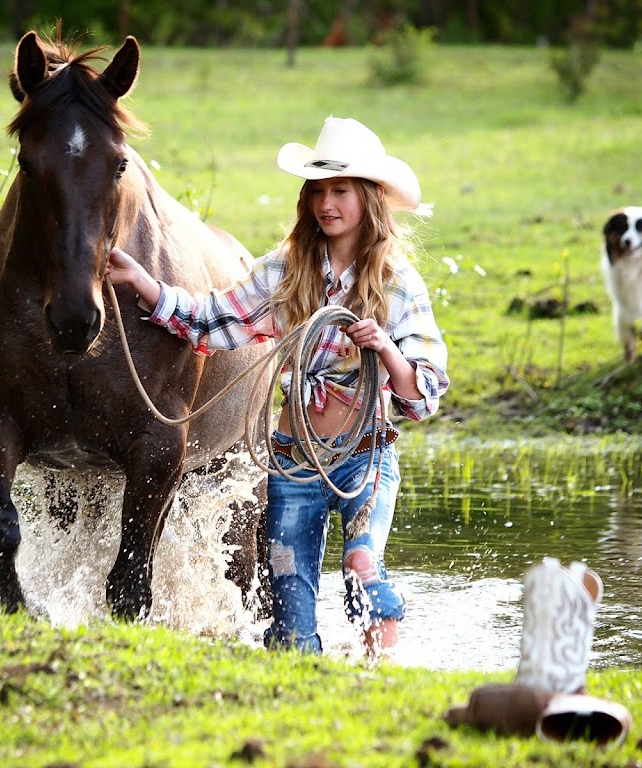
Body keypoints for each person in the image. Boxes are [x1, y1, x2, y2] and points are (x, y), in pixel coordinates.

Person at [107, 116, 449, 660]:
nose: (326, 203)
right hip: (293, 460)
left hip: (365, 455)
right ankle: (301, 680)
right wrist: (147, 286)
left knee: (363, 563)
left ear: (370, 198)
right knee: (289, 615)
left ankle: (382, 670)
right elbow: (217, 320)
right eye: (317, 191)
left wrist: (382, 346)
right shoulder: (287, 271)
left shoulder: (396, 282)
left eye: (340, 190)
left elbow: (422, 393)